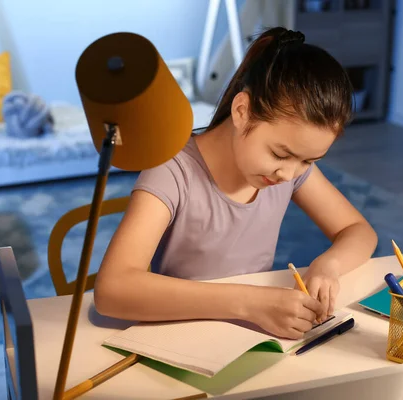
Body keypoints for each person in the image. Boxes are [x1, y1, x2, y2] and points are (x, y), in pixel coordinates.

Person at [94, 27, 378, 340]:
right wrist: (249, 304)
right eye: (279, 153)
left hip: (253, 335)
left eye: (309, 161)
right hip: (184, 334)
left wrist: (328, 265)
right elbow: (112, 290)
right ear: (242, 111)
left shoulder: (288, 169)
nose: (290, 173)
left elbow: (359, 231)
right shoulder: (173, 171)